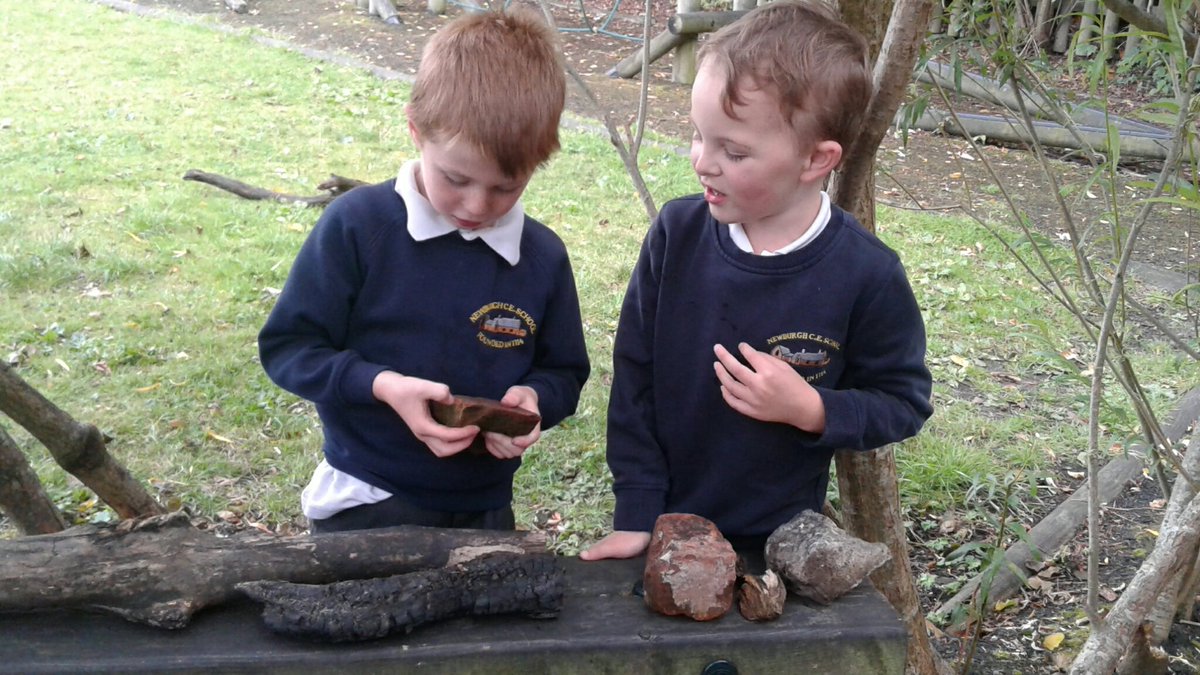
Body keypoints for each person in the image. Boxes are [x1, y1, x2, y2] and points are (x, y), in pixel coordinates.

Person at [581, 0, 933, 559]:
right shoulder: (677, 235)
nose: (703, 162)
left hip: (779, 543)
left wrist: (812, 409)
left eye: (734, 150)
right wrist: (637, 513)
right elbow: (634, 380)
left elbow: (904, 402)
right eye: (699, 135)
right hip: (662, 526)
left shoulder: (866, 273)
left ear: (816, 160)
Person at [258, 8, 590, 534]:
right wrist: (383, 385)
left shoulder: (542, 257)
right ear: (416, 130)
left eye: (506, 187)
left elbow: (564, 371)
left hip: (485, 507)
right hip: (367, 497)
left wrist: (534, 403)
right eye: (456, 178)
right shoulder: (358, 228)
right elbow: (289, 349)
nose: (478, 205)